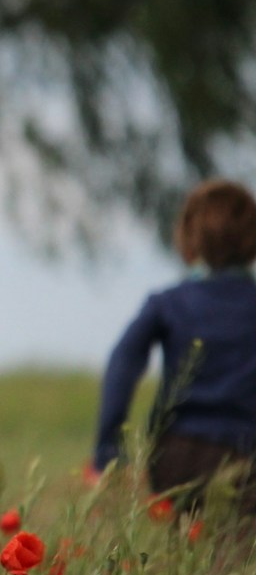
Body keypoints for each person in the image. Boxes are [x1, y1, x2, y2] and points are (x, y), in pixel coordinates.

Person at [91, 178, 256, 512]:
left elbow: (122, 366)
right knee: (239, 554)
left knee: (185, 548)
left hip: (177, 453)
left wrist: (108, 449)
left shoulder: (168, 303)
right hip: (246, 452)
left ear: (189, 238)